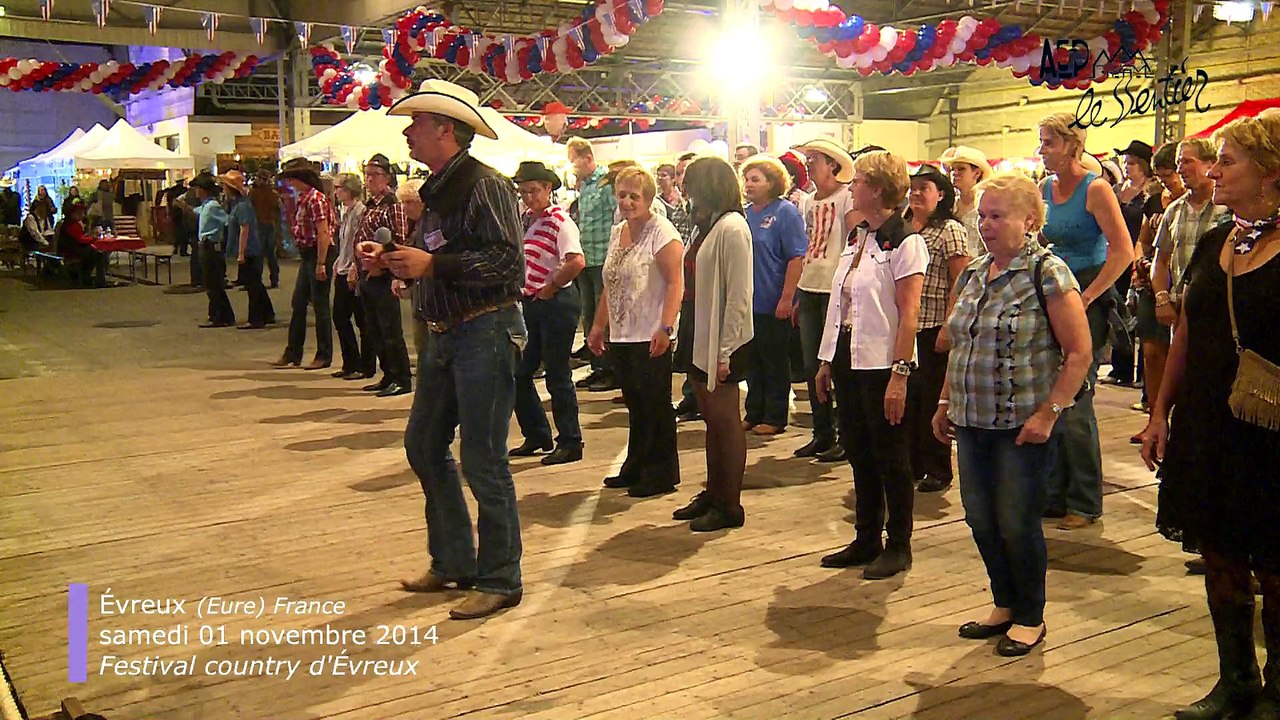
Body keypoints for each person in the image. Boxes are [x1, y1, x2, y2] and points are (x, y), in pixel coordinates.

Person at [366, 80, 526, 620]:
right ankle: (457, 560)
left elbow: (508, 266)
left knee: (483, 458)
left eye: (415, 124)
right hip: (447, 332)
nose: (407, 133)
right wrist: (396, 259)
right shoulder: (440, 188)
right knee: (425, 445)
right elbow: (444, 257)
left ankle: (501, 577)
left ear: (444, 130)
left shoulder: (487, 185)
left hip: (484, 331)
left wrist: (431, 266)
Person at [1139, 109, 1280, 720]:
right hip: (1208, 422)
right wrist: (1160, 412)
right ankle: (1236, 680)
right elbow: (1187, 335)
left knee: (1276, 563)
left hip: (1271, 431)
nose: (1214, 172)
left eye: (1228, 161)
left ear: (1271, 171)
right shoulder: (1219, 238)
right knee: (1220, 553)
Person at [933, 172, 1092, 657]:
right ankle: (1004, 602)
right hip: (971, 417)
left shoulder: (1048, 272)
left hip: (1021, 423)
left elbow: (1080, 352)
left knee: (1016, 521)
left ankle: (1030, 615)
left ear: (1030, 219)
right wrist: (944, 402)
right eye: (982, 215)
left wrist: (1049, 413)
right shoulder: (975, 272)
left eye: (997, 216)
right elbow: (960, 344)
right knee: (980, 517)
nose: (986, 225)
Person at [815, 150, 927, 580]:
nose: (851, 186)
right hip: (848, 353)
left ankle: (899, 543)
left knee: (891, 456)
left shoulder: (905, 241)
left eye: (858, 180)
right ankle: (866, 536)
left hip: (883, 361)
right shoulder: (857, 236)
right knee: (859, 450)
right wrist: (827, 360)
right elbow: (839, 303)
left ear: (878, 190)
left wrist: (900, 373)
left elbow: (909, 312)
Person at [1036, 112, 1135, 530]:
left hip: (1089, 289)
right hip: (1056, 287)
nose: (1042, 151)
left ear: (1072, 144)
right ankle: (1054, 492)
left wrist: (1091, 295)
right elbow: (1043, 236)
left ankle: (1086, 499)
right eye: (1041, 143)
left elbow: (1123, 251)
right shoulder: (1045, 188)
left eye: (1049, 143)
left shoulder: (1096, 190)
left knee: (1077, 395)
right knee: (1051, 389)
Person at [587, 166, 684, 497]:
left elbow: (675, 283)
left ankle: (660, 471)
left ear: (649, 198)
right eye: (622, 195)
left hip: (650, 331)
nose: (627, 202)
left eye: (634, 196)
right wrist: (599, 325)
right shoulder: (618, 232)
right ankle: (636, 464)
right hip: (623, 333)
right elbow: (609, 283)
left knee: (655, 404)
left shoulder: (662, 233)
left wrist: (666, 327)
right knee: (635, 403)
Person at [671, 157, 754, 531]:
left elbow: (740, 294)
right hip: (698, 325)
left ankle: (729, 503)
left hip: (723, 334)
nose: (683, 188)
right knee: (710, 419)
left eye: (688, 182)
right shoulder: (706, 225)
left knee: (725, 420)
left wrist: (725, 350)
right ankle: (714, 492)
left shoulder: (732, 227)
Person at [509, 161, 587, 465]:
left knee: (557, 373)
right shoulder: (527, 219)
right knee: (520, 373)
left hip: (556, 301)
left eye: (533, 191)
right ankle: (538, 433)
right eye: (524, 192)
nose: (528, 197)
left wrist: (551, 285)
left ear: (548, 188)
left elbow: (576, 261)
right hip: (534, 301)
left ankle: (570, 440)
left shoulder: (560, 220)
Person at [905, 164, 971, 493]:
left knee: (933, 399)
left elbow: (961, 281)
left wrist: (950, 325)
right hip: (907, 326)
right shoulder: (903, 226)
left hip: (933, 326)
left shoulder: (950, 230)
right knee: (910, 400)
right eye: (913, 187)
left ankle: (938, 467)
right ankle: (914, 463)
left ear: (940, 194)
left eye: (925, 188)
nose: (916, 193)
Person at [792, 139, 858, 463]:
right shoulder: (808, 202)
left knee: (837, 365)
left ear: (832, 164)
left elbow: (853, 241)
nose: (809, 163)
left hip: (835, 288)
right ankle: (821, 433)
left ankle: (846, 435)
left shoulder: (846, 197)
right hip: (809, 285)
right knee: (810, 364)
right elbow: (807, 244)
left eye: (814, 158)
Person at [739, 155, 806, 436]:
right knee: (752, 361)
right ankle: (754, 411)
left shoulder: (786, 212)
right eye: (746, 179)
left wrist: (787, 298)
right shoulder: (743, 213)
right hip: (747, 302)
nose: (749, 184)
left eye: (756, 179)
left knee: (774, 361)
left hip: (773, 298)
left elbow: (796, 256)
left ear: (772, 182)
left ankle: (775, 415)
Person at [1103, 140, 1161, 388]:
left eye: (1132, 163)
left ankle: (1141, 374)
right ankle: (1121, 368)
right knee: (1118, 311)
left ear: (1144, 166)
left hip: (1138, 256)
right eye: (1126, 162)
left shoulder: (1151, 191)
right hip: (1116, 254)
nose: (1127, 167)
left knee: (1139, 313)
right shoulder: (1117, 190)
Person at [272, 159, 337, 370]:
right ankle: (293, 351)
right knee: (299, 302)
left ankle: (324, 354)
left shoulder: (315, 200)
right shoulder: (305, 198)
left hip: (318, 253)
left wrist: (321, 262)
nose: (290, 184)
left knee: (320, 305)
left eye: (292, 180)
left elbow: (323, 232)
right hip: (308, 253)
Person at [356, 156, 413, 396]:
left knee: (390, 330)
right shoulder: (372, 204)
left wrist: (383, 264)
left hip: (384, 274)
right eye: (367, 174)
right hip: (367, 271)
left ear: (387, 177)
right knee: (374, 328)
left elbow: (399, 238)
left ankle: (401, 377)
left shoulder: (392, 204)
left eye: (375, 175)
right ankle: (388, 374)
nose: (369, 179)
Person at [567, 137, 619, 391]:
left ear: (587, 158)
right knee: (588, 314)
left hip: (603, 258)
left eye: (574, 162)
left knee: (604, 316)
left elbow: (617, 217)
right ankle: (597, 366)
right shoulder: (585, 186)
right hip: (586, 258)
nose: (572, 167)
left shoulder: (606, 184)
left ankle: (610, 369)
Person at [218, 170, 274, 329]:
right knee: (255, 283)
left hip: (250, 250)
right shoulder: (238, 204)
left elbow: (245, 229)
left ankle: (256, 318)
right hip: (250, 249)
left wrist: (241, 253)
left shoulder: (242, 206)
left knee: (253, 285)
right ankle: (267, 314)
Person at [331, 172, 371, 379]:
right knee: (339, 316)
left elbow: (359, 242)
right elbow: (344, 243)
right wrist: (339, 261)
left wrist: (355, 267)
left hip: (353, 270)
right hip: (343, 268)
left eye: (338, 187)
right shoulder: (345, 211)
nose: (336, 191)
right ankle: (350, 362)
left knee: (360, 319)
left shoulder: (360, 211)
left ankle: (365, 364)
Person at [191, 174, 234, 326]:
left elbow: (227, 221)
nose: (196, 191)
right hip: (205, 246)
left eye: (198, 188)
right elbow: (195, 212)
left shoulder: (213, 206)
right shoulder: (205, 205)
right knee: (210, 283)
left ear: (204, 190)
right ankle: (218, 314)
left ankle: (220, 316)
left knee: (213, 283)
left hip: (211, 247)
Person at [940, 145, 993, 258]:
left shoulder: (986, 207)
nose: (955, 173)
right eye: (953, 169)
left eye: (961, 169)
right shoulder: (949, 205)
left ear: (977, 173)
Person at [55, 198, 108, 288]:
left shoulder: (74, 223)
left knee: (97, 252)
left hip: (74, 249)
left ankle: (91, 278)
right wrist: (93, 238)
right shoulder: (70, 224)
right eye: (79, 213)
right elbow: (80, 239)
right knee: (97, 253)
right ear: (72, 214)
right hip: (70, 251)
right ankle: (98, 280)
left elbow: (82, 237)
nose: (82, 215)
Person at [250, 170, 282, 288]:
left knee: (259, 254)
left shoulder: (254, 193)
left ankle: (257, 280)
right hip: (269, 224)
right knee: (270, 254)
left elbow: (251, 208)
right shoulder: (272, 193)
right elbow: (278, 209)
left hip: (260, 225)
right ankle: (274, 279)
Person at [21, 189, 55, 254]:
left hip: (41, 240)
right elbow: (35, 234)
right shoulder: (31, 218)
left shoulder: (44, 217)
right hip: (31, 242)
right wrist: (45, 242)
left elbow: (49, 229)